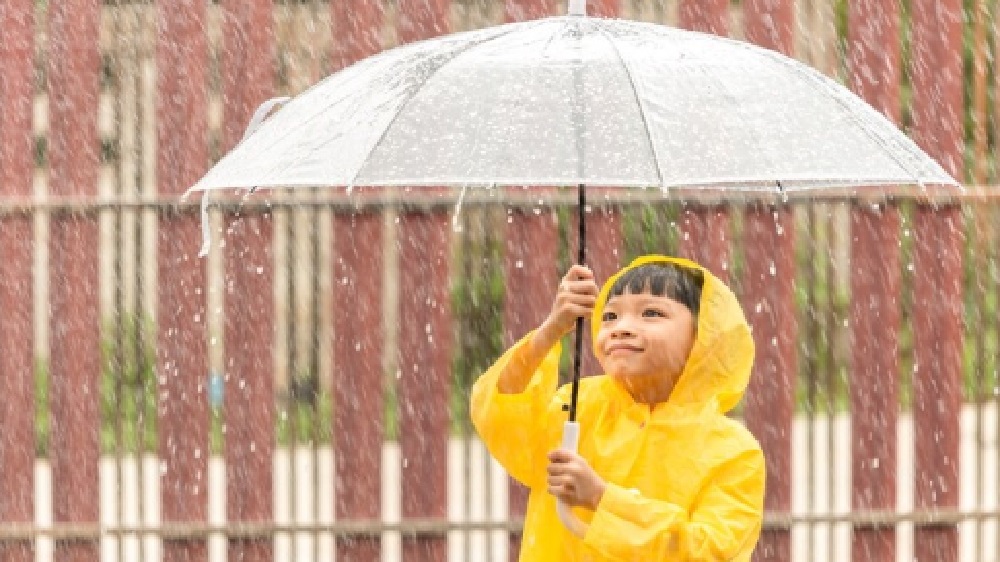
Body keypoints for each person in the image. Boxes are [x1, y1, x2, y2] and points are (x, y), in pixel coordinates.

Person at [471, 255, 765, 561]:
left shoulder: (734, 453)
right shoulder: (576, 406)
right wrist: (549, 333)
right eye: (610, 316)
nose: (621, 328)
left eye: (651, 313)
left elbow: (709, 551)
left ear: (704, 334)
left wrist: (601, 498)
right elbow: (501, 418)